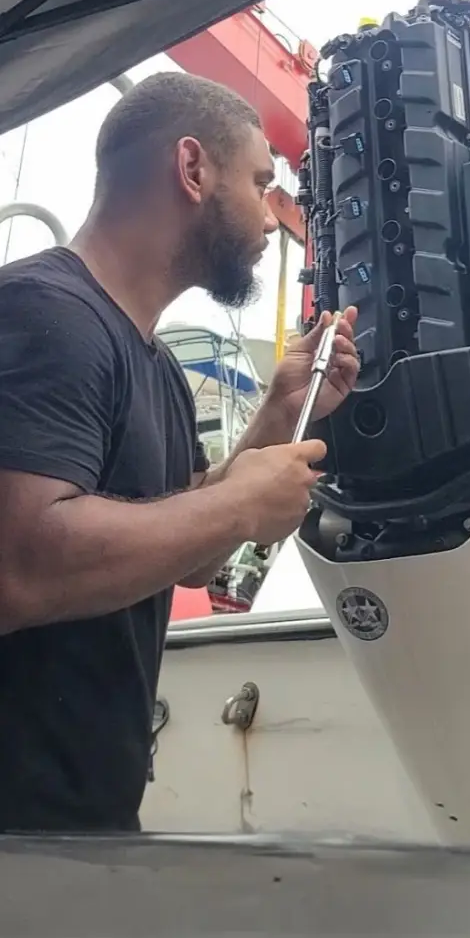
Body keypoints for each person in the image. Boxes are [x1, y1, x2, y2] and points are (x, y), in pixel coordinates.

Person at [0, 72, 359, 834]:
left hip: (84, 819)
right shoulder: (44, 315)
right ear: (193, 169)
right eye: (262, 182)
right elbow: (20, 561)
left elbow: (186, 550)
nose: (271, 218)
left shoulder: (155, 365)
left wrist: (281, 410)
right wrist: (239, 501)